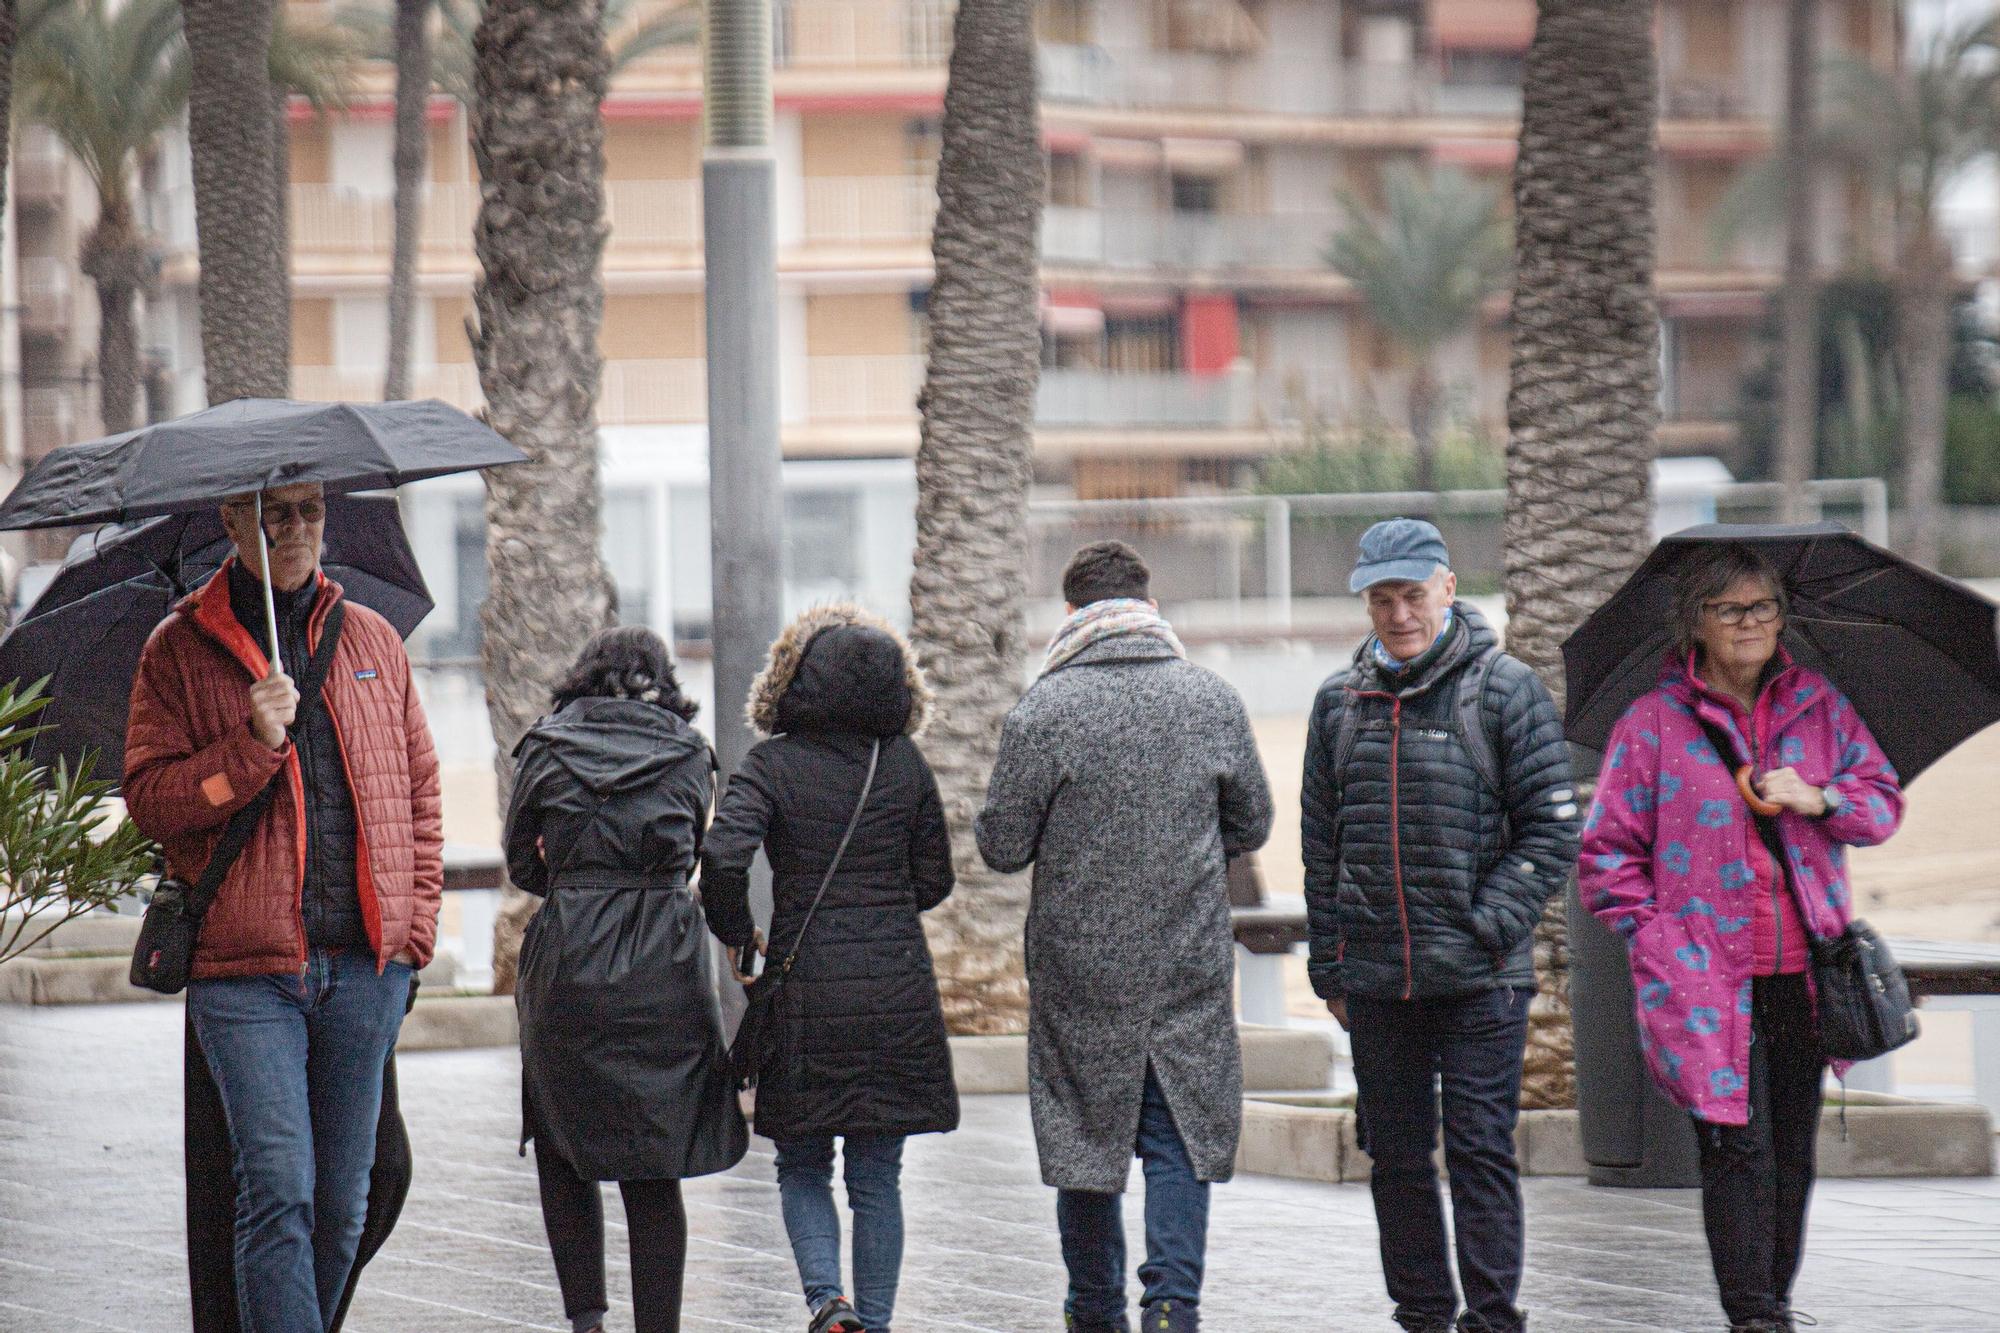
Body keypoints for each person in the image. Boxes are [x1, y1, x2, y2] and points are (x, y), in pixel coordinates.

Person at [124, 481, 442, 1332]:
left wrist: (412, 939)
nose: (296, 529)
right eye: (276, 513)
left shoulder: (371, 637)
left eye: (309, 511)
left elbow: (419, 794)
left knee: (345, 1204)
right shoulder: (179, 649)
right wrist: (251, 746)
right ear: (233, 522)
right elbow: (154, 801)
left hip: (361, 969)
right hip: (247, 974)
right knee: (278, 1189)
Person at [1579, 543, 1905, 1333]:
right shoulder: (1653, 724)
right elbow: (1605, 855)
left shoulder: (1820, 707)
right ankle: (1753, 1313)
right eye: (1731, 609)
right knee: (1736, 1150)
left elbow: (1881, 804)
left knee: (1793, 1153)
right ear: (1697, 622)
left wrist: (1819, 796)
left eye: (1763, 607)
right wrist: (1655, 935)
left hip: (1804, 971)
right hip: (1701, 978)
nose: (1751, 622)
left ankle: (1774, 1298)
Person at [976, 541, 1273, 1333]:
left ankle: (1095, 1308)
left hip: (1080, 971)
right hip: (1187, 961)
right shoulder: (1211, 698)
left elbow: (1001, 845)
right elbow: (1253, 821)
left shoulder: (1043, 709)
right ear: (1149, 606)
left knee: (1084, 1142)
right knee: (1178, 1133)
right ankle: (1172, 1304)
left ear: (1072, 614)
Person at [1300, 517, 1578, 1333]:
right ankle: (1421, 1312)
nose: (1398, 614)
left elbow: (1553, 827)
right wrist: (1331, 967)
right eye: (1382, 598)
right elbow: (1322, 844)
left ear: (1448, 589)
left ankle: (1492, 1316)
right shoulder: (1336, 703)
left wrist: (1488, 923)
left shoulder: (1504, 688)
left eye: (1412, 595)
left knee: (1481, 1150)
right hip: (1379, 978)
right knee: (1394, 1156)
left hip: (1483, 977)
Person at [703, 605, 959, 1333]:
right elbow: (935, 880)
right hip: (897, 989)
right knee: (878, 1175)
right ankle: (872, 1321)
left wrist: (736, 933)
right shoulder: (903, 762)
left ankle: (828, 1302)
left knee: (803, 1162)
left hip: (802, 987)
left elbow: (723, 854)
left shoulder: (773, 763)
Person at [504, 625, 747, 1333]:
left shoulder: (545, 749)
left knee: (561, 1140)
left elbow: (523, 864)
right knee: (653, 1151)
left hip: (567, 966)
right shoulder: (688, 755)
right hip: (664, 968)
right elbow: (697, 853)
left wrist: (576, 876)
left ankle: (586, 1322)